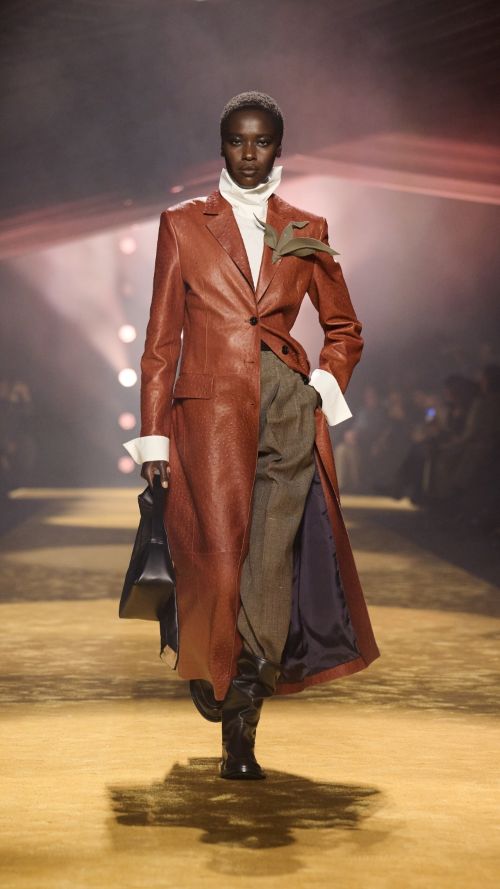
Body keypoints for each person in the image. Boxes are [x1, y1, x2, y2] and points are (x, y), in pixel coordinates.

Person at [123, 91, 380, 780]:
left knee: (268, 564)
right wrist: (154, 439)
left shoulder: (306, 227)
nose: (248, 153)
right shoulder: (183, 224)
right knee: (218, 562)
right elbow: (160, 340)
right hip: (207, 415)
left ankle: (241, 716)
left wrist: (319, 387)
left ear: (278, 148)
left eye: (261, 141)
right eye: (237, 140)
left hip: (286, 409)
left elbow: (345, 327)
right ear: (222, 145)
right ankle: (217, 665)